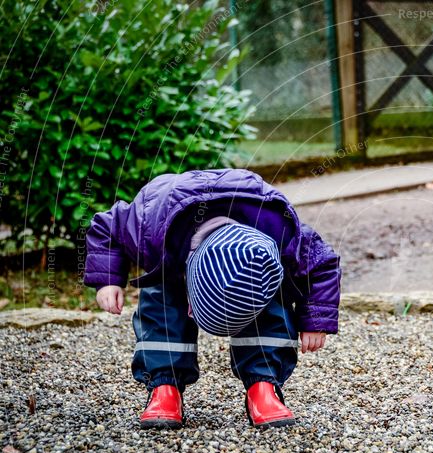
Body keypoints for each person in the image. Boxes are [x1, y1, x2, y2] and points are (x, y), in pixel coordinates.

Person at [83, 169, 341, 430]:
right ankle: (165, 385)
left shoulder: (281, 230)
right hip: (172, 235)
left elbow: (323, 263)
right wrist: (107, 279)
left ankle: (263, 384)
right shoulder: (148, 227)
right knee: (160, 293)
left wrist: (316, 319)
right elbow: (107, 225)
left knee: (265, 288)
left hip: (247, 235)